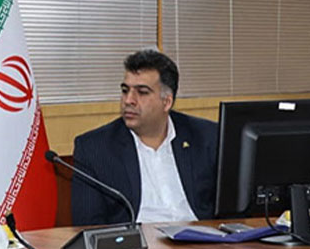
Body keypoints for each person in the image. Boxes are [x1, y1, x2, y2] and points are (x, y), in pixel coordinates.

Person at [71, 49, 218, 225]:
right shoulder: (95, 149)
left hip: (201, 237)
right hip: (138, 240)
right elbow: (88, 226)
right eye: (125, 90)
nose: (128, 100)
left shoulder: (207, 138)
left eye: (142, 92)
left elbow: (231, 212)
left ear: (166, 102)